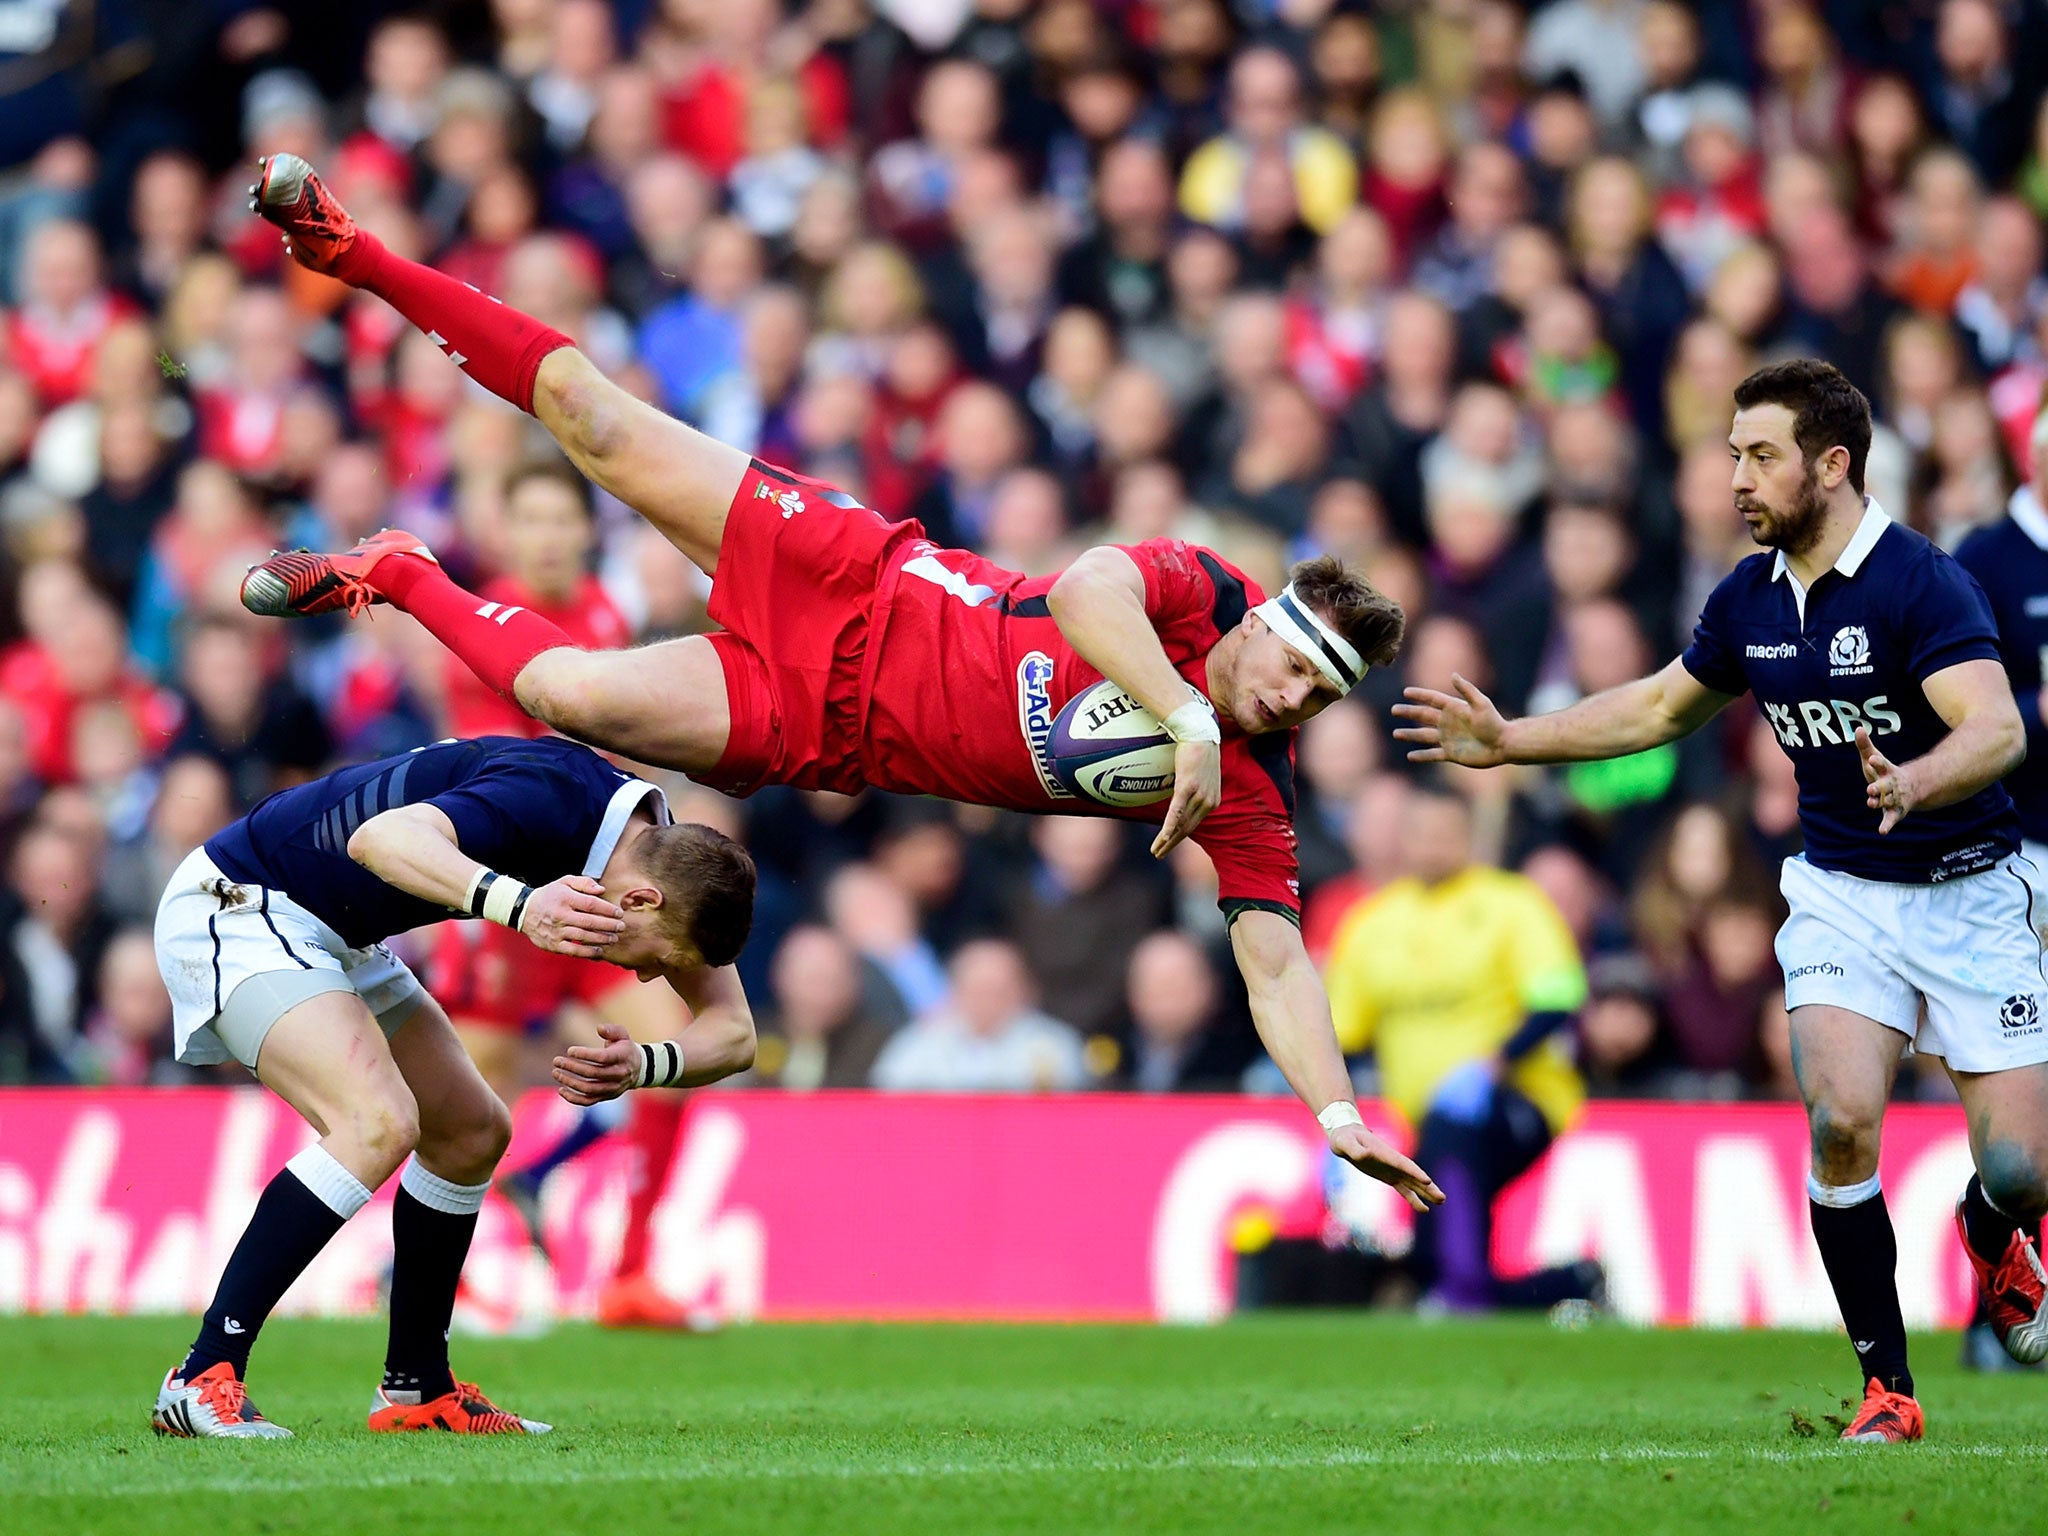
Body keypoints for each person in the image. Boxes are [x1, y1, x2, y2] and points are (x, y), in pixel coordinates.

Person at [231, 153, 1445, 1216]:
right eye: (1294, 668)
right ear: (1269, 621)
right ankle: (354, 251)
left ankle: (402, 573)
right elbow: (1084, 590)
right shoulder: (1198, 589)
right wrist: (1183, 716)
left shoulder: (1250, 793)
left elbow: (1275, 962)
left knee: (565, 696)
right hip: (857, 576)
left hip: (826, 726)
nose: (1291, 702)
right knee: (589, 418)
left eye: (1317, 699)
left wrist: (1337, 1119)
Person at [1396, 359, 2048, 1444]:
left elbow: (1995, 729)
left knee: (2022, 1171)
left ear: (1830, 466)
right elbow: (1656, 707)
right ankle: (1887, 1388)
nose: (1733, 478)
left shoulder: (1920, 583)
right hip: (1841, 894)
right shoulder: (1746, 598)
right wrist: (1510, 739)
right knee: (1839, 1123)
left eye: (1758, 456)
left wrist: (1916, 779)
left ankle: (1995, 1231)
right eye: (1729, 454)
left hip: (1971, 897)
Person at [149, 734, 757, 1438]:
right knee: (375, 1122)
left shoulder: (661, 860)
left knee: (472, 1131)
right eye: (657, 959)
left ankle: (417, 1391)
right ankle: (200, 1374)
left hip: (334, 932)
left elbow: (734, 1031)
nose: (650, 978)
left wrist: (646, 1064)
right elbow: (382, 838)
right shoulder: (553, 801)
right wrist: (522, 905)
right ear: (642, 900)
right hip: (243, 902)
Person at [1323, 781, 1604, 1315]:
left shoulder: (1511, 903)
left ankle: (1462, 1294)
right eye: (1422, 833)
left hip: (1517, 1101)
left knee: (1454, 1140)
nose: (1433, 845)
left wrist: (1492, 1065)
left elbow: (1557, 999)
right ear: (1403, 840)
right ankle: (1567, 1287)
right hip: (1420, 1121)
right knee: (1431, 1253)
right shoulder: (1371, 923)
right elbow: (1342, 1032)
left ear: (1470, 838)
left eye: (1446, 834)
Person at [1952, 399, 2048, 1372]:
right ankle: (1994, 1309)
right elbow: (1930, 699)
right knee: (2019, 1105)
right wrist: (2029, 707)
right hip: (2014, 849)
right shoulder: (1981, 559)